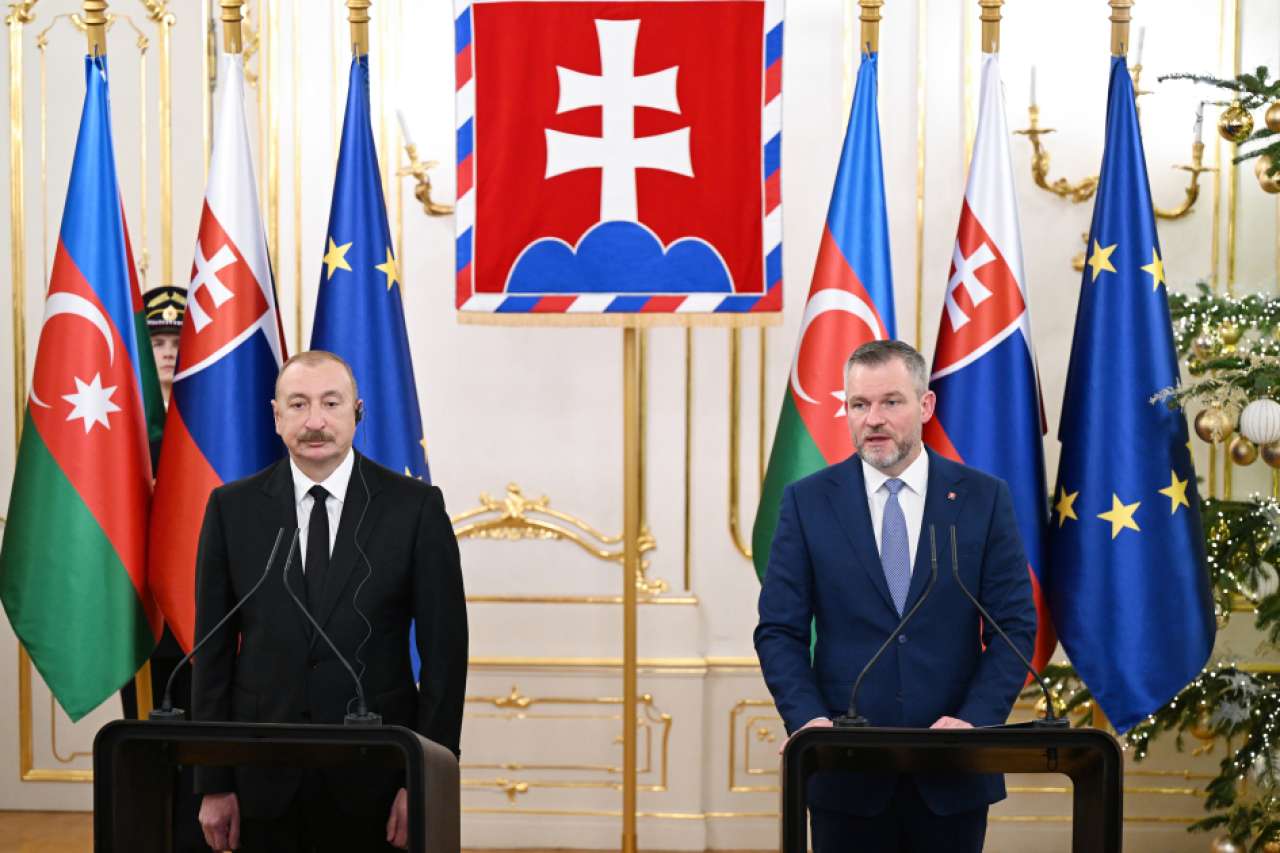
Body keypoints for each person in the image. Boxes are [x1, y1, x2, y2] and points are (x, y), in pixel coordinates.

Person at [754, 339, 1036, 853]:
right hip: (845, 772)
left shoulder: (983, 498)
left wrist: (974, 721)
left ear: (925, 405)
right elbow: (779, 630)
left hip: (952, 772)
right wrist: (810, 722)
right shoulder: (807, 502)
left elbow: (1013, 626)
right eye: (859, 404)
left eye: (890, 402)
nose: (873, 419)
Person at [192, 350, 468, 852]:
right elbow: (211, 656)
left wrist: (424, 778)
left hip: (378, 776)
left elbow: (445, 657)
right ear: (276, 416)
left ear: (357, 412)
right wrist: (214, 779)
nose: (315, 422)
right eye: (298, 404)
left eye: (331, 403)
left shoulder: (415, 508)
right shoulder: (231, 509)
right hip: (262, 779)